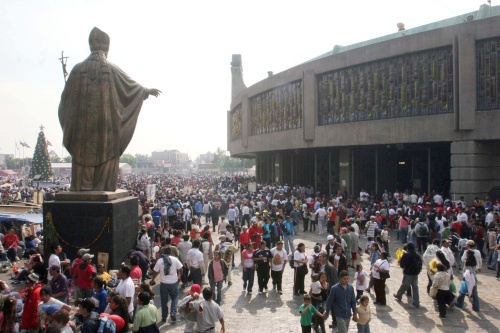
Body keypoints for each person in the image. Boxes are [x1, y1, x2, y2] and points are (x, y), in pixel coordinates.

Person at [58, 27, 161, 191]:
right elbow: (131, 88)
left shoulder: (77, 70)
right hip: (105, 131)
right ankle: (102, 186)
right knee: (106, 154)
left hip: (82, 133)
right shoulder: (111, 69)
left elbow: (65, 102)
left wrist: (70, 124)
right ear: (106, 48)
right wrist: (145, 91)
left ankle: (81, 187)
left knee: (82, 154)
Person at [151, 246, 183, 323]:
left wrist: (153, 279)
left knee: (164, 300)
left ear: (163, 253)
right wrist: (179, 277)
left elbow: (155, 271)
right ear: (170, 252)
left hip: (164, 283)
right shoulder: (175, 259)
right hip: (173, 283)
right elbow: (181, 269)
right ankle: (173, 312)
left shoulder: (160, 261)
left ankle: (164, 317)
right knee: (175, 297)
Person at [393, 241, 422, 307]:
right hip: (415, 274)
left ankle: (399, 295)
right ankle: (416, 302)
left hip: (408, 273)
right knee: (415, 287)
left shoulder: (406, 255)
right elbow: (420, 264)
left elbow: (402, 265)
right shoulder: (417, 255)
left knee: (404, 285)